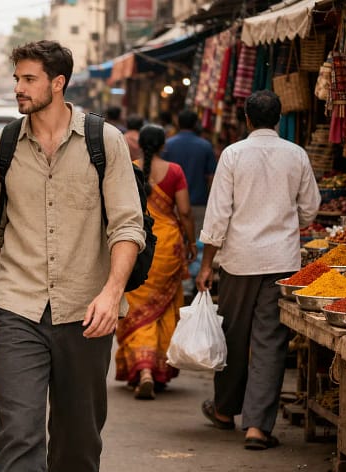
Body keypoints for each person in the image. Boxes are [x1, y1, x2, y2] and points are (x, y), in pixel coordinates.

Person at [0, 41, 145, 472]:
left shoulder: (104, 141)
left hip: (85, 308)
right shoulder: (0, 148)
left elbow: (127, 225)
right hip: (16, 307)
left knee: (79, 433)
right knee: (18, 429)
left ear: (57, 83)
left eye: (28, 79)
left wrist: (112, 293)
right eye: (16, 79)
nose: (18, 88)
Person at [196, 91, 320, 450]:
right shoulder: (296, 155)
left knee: (234, 336)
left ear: (246, 119)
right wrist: (284, 223)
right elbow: (310, 209)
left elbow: (218, 215)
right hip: (282, 261)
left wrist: (207, 263)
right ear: (278, 119)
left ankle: (224, 411)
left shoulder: (233, 155)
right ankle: (257, 427)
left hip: (239, 261)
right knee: (270, 341)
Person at [114, 125, 195, 399]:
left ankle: (143, 369)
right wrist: (192, 241)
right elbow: (184, 211)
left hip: (137, 246)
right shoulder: (174, 172)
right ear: (163, 145)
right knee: (162, 310)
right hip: (168, 248)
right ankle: (157, 368)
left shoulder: (129, 167)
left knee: (136, 308)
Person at [162, 109, 217, 236]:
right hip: (198, 204)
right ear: (195, 124)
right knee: (196, 244)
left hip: (172, 205)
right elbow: (211, 177)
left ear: (178, 123)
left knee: (174, 243)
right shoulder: (206, 146)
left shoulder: (168, 145)